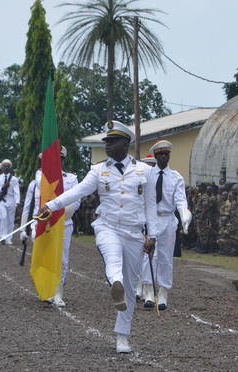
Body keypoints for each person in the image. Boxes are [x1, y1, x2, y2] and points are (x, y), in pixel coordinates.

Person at [38, 121, 157, 354]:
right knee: (113, 259)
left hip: (134, 232)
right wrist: (51, 206)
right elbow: (77, 191)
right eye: (107, 142)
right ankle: (115, 282)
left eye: (112, 141)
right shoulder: (98, 170)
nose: (108, 145)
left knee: (132, 289)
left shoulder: (146, 171)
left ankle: (123, 336)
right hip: (108, 227)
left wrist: (152, 236)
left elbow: (150, 205)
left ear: (126, 144)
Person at [20, 146, 80, 307]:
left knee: (62, 258)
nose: (56, 162)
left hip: (64, 223)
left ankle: (58, 292)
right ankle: (46, 289)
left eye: (59, 159)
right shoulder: (39, 178)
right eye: (52, 159)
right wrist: (22, 229)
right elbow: (29, 204)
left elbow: (77, 201)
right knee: (44, 255)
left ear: (63, 160)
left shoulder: (71, 179)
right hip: (41, 223)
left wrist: (63, 210)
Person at [139, 140, 191, 311]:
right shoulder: (147, 175)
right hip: (150, 218)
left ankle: (163, 293)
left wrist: (184, 216)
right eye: (160, 154)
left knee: (166, 258)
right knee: (149, 257)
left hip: (168, 219)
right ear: (155, 156)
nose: (163, 157)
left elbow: (181, 200)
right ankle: (148, 291)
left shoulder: (176, 177)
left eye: (166, 154)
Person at [0, 159, 20, 245]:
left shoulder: (14, 179)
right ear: (2, 168)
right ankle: (2, 236)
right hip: (2, 200)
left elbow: (16, 191)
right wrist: (2, 188)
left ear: (10, 168)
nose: (6, 168)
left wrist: (17, 202)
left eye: (8, 166)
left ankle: (9, 238)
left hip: (11, 200)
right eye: (4, 166)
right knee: (3, 217)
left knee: (10, 220)